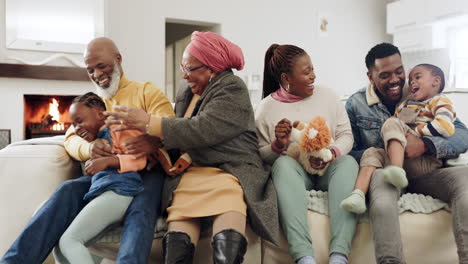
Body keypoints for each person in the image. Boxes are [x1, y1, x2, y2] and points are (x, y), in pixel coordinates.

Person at [104, 31, 279, 264]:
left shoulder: (232, 88)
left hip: (228, 172)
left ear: (212, 68)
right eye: (182, 67)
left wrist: (149, 122)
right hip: (190, 175)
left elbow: (203, 128)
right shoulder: (186, 91)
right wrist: (154, 143)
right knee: (176, 250)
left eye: (189, 68)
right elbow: (180, 135)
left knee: (228, 246)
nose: (183, 75)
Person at [0, 37, 175, 264]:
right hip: (106, 173)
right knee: (66, 191)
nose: (96, 74)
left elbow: (171, 126)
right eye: (90, 70)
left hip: (146, 171)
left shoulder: (146, 92)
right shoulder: (92, 104)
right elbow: (70, 139)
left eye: (102, 66)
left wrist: (154, 141)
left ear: (118, 59)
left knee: (141, 209)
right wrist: (91, 147)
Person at [345, 42, 468, 263]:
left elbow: (461, 134)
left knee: (466, 179)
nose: (395, 80)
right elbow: (350, 152)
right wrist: (385, 152)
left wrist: (426, 145)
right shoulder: (356, 104)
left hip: (427, 169)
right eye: (385, 75)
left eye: (399, 71)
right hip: (387, 171)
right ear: (371, 77)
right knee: (382, 203)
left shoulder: (421, 91)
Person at [255, 44, 359, 264]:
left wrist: (330, 153)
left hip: (329, 169)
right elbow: (262, 156)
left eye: (312, 69)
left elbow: (346, 136)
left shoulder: (328, 96)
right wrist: (278, 145)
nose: (313, 76)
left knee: (348, 162)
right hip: (296, 175)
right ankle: (304, 257)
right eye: (306, 72)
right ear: (286, 78)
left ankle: (339, 256)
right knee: (282, 165)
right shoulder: (265, 109)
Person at [341, 63, 456, 214]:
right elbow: (393, 122)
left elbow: (445, 126)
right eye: (410, 79)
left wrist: (416, 134)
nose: (412, 82)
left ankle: (396, 170)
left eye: (418, 77)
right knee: (372, 152)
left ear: (436, 81)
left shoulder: (441, 101)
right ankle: (358, 195)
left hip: (424, 161)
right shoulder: (407, 104)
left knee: (392, 123)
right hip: (402, 158)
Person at [60, 92, 148, 263]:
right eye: (73, 124)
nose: (77, 128)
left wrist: (108, 161)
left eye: (80, 121)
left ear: (100, 114)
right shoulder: (93, 141)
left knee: (69, 241)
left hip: (119, 192)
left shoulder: (118, 128)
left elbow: (140, 159)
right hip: (104, 193)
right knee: (60, 241)